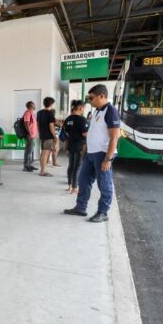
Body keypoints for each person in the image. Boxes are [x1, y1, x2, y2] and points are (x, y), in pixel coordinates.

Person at [64, 84, 120, 223]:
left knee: (104, 184)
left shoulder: (110, 111)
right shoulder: (96, 111)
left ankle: (103, 212)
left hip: (103, 153)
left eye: (91, 97)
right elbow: (94, 133)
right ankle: (81, 207)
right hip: (91, 153)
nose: (89, 100)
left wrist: (108, 159)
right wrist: (87, 149)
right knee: (83, 181)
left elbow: (114, 137)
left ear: (101, 96)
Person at [63, 100, 88, 194]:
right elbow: (85, 133)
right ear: (81, 108)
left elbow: (66, 133)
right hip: (80, 146)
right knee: (77, 167)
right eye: (84, 108)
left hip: (71, 145)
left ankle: (69, 186)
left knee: (71, 166)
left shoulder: (68, 119)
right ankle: (74, 188)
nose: (83, 110)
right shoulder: (82, 119)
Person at [36, 97, 57, 177]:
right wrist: (55, 136)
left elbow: (37, 124)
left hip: (42, 135)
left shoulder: (39, 112)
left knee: (43, 153)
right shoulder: (50, 113)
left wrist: (40, 133)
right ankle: (42, 171)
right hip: (48, 135)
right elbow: (51, 126)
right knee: (46, 153)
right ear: (51, 104)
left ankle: (43, 169)